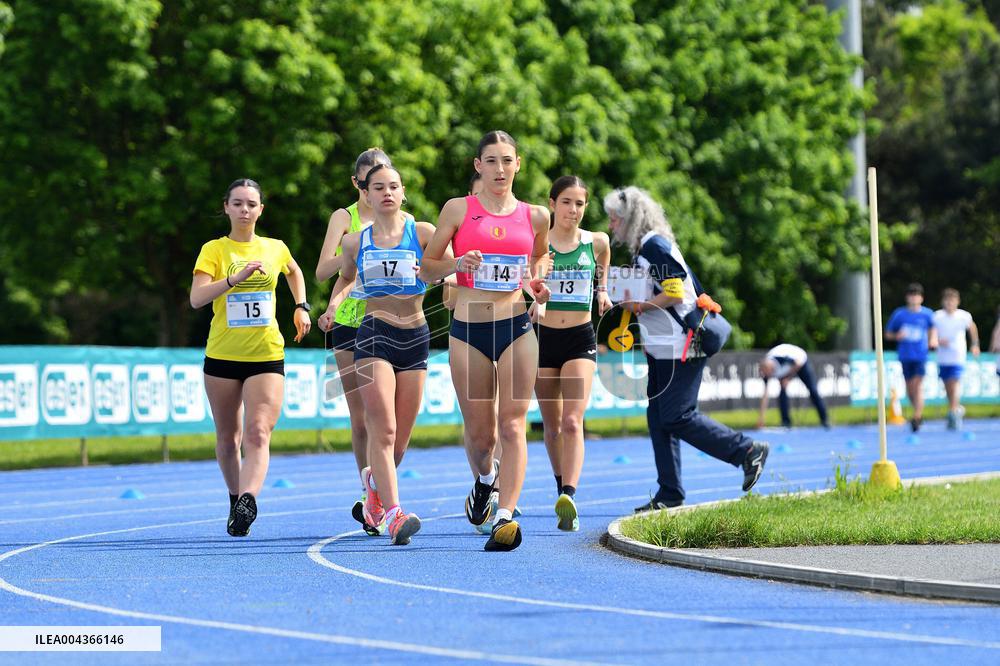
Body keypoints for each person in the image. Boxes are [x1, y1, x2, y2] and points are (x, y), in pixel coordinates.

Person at [420, 130, 551, 551]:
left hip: (515, 325)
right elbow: (426, 269)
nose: (500, 169)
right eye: (491, 161)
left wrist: (537, 285)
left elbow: (541, 256)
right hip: (470, 327)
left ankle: (507, 516)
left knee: (513, 424)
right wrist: (457, 263)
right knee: (482, 437)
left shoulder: (535, 216)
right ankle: (485, 480)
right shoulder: (459, 209)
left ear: (518, 164)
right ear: (478, 166)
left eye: (507, 160)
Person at [603, 186, 769, 513]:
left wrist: (640, 305)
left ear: (630, 219)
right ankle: (670, 492)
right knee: (658, 418)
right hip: (663, 346)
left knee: (677, 416)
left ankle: (747, 451)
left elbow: (676, 292)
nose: (611, 226)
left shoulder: (654, 246)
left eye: (614, 219)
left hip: (681, 344)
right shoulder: (646, 247)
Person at [320, 164, 442, 545]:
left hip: (416, 336)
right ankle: (394, 515)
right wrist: (332, 306)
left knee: (399, 443)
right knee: (382, 428)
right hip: (373, 335)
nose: (386, 192)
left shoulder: (423, 233)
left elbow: (445, 272)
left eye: (393, 186)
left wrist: (450, 277)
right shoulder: (355, 241)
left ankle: (373, 483)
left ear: (403, 192)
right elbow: (345, 277)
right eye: (378, 187)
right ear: (366, 196)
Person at [190, 178, 311, 537]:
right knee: (229, 438)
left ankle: (248, 499)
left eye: (251, 204)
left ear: (261, 210)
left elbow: (294, 271)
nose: (245, 210)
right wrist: (235, 279)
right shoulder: (213, 250)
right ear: (226, 207)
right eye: (238, 203)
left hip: (266, 354)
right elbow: (197, 299)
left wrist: (301, 306)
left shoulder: (274, 247)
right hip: (223, 356)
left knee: (258, 432)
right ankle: (234, 497)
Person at [315, 148, 394, 536]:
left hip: (391, 318)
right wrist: (355, 245)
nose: (373, 189)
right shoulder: (344, 218)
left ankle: (381, 490)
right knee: (361, 414)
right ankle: (369, 491)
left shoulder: (398, 218)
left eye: (381, 181)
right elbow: (322, 270)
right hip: (349, 318)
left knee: (389, 417)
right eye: (366, 182)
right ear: (357, 183)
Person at [531, 175, 611, 531]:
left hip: (580, 337)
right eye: (566, 202)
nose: (573, 210)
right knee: (551, 426)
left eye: (579, 203)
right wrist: (534, 298)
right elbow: (526, 284)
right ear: (552, 204)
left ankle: (570, 494)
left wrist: (603, 291)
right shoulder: (539, 244)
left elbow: (604, 263)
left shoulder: (597, 242)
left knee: (572, 420)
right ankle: (559, 484)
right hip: (542, 339)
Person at [885, 283, 937, 432]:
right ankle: (917, 413)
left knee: (917, 385)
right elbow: (888, 334)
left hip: (920, 355)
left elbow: (933, 328)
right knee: (909, 389)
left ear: (921, 298)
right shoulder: (900, 314)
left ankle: (916, 416)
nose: (914, 298)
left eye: (917, 295)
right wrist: (897, 336)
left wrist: (933, 339)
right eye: (911, 295)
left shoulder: (927, 314)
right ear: (907, 297)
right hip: (905, 355)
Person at [933, 288, 980, 430]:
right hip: (943, 356)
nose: (949, 303)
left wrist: (975, 345)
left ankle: (953, 414)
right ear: (943, 302)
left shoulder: (964, 316)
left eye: (952, 301)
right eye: (947, 301)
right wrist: (938, 341)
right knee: (948, 385)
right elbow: (932, 333)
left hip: (958, 355)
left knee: (954, 383)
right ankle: (955, 408)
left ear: (957, 302)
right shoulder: (937, 316)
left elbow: (972, 328)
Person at [756, 343, 830, 430]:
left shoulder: (781, 358)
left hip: (800, 362)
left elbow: (798, 363)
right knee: (782, 391)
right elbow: (765, 395)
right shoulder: (766, 372)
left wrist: (788, 378)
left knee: (812, 390)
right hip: (786, 369)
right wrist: (761, 418)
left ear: (770, 368)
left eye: (768, 373)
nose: (768, 376)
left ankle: (824, 419)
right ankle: (786, 421)